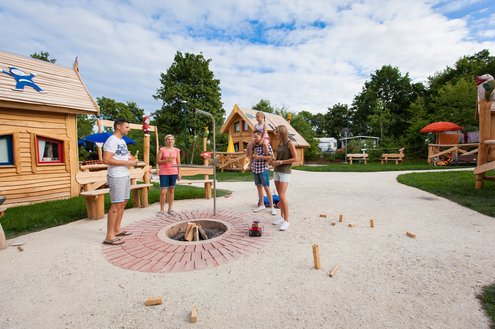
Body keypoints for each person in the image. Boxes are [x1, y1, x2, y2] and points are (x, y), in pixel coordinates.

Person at [102, 119, 138, 245]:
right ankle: (109, 236)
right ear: (118, 126)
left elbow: (119, 157)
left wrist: (129, 158)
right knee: (116, 205)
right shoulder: (112, 140)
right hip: (116, 176)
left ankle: (117, 230)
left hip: (124, 175)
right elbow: (106, 159)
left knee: (123, 202)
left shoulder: (122, 141)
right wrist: (128, 162)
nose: (129, 129)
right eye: (127, 127)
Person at [272, 125, 298, 231]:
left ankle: (286, 221)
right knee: (279, 195)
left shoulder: (289, 143)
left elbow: (295, 158)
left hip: (285, 172)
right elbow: (278, 158)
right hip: (277, 171)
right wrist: (273, 160)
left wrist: (281, 162)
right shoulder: (279, 143)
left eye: (277, 132)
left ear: (281, 133)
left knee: (282, 196)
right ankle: (281, 217)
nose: (275, 133)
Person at [251, 130, 276, 215]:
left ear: (261, 137)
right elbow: (252, 155)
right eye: (253, 137)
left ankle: (272, 207)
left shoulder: (266, 145)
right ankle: (262, 205)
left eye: (256, 137)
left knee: (266, 188)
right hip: (255, 169)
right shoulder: (255, 146)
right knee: (259, 187)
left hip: (263, 170)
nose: (254, 138)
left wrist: (260, 157)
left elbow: (271, 157)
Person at [157, 134, 181, 216]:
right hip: (164, 172)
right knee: (163, 191)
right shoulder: (162, 150)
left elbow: (178, 162)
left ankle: (170, 210)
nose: (170, 141)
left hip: (173, 172)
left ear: (173, 141)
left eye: (171, 139)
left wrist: (179, 173)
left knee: (171, 190)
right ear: (166, 141)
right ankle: (161, 210)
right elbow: (158, 161)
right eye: (168, 139)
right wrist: (166, 160)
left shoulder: (177, 150)